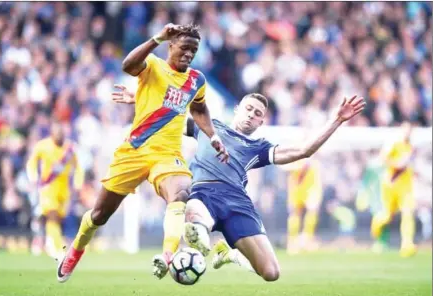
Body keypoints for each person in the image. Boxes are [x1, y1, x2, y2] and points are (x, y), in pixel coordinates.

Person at [57, 23, 229, 283]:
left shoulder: (197, 80)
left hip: (167, 154)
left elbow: (200, 109)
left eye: (193, 50)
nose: (189, 54)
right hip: (134, 151)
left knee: (181, 192)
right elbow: (128, 65)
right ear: (171, 45)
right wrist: (156, 38)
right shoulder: (154, 65)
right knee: (99, 216)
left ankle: (168, 256)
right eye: (184, 47)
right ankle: (75, 250)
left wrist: (213, 136)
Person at [183, 93, 365, 281]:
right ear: (237, 109)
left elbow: (304, 151)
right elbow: (168, 125)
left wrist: (336, 120)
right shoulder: (208, 126)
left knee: (271, 273)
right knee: (196, 223)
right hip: (204, 192)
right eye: (248, 109)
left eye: (257, 113)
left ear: (260, 123)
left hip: (237, 203)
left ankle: (231, 254)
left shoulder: (258, 147)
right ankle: (196, 237)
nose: (251, 115)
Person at [26, 121, 84, 258]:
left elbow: (78, 168)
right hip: (48, 188)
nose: (59, 137)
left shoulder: (70, 149)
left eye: (61, 134)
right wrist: (33, 177)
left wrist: (77, 183)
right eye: (57, 134)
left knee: (57, 219)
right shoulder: (42, 146)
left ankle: (49, 241)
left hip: (64, 190)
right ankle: (58, 249)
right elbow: (32, 162)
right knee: (52, 215)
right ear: (52, 134)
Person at [370, 122, 417, 257]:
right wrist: (396, 165)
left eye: (410, 130)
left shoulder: (410, 147)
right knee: (386, 216)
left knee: (408, 213)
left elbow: (408, 166)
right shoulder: (394, 143)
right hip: (390, 185)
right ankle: (376, 229)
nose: (408, 133)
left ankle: (407, 244)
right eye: (405, 130)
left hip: (406, 188)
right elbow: (383, 158)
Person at [282, 157, 323, 254]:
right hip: (296, 185)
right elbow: (284, 166)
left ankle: (307, 239)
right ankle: (292, 242)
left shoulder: (314, 165)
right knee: (295, 213)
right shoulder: (295, 156)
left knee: (312, 211)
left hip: (309, 185)